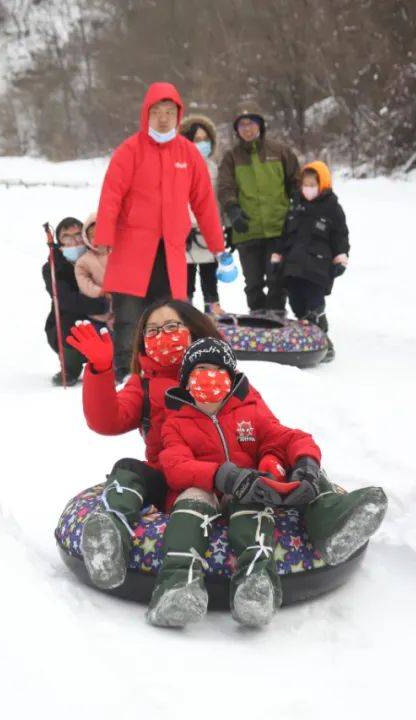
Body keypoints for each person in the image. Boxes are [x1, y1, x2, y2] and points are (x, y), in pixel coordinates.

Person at [150, 338, 387, 628]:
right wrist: (226, 476)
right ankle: (178, 585)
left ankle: (259, 581)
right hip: (209, 490)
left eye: (217, 369)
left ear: (230, 376)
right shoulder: (176, 421)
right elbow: (175, 466)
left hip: (247, 492)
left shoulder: (249, 408)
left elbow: (287, 437)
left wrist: (306, 464)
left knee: (270, 483)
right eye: (200, 369)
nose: (209, 376)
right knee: (194, 493)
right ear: (187, 380)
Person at [68, 300, 245, 591]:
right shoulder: (145, 385)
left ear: (194, 330)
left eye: (172, 327)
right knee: (127, 469)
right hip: (169, 479)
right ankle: (110, 534)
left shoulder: (223, 380)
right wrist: (100, 370)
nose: (162, 337)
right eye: (152, 331)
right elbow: (107, 420)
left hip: (223, 479)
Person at [94, 82, 226, 382]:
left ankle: (166, 373)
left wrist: (217, 245)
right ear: (146, 113)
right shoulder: (130, 150)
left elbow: (204, 202)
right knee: (129, 318)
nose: (163, 118)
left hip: (170, 252)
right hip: (132, 250)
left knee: (169, 317)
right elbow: (111, 195)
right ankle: (124, 376)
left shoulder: (188, 153)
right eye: (157, 112)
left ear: (178, 115)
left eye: (169, 112)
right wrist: (104, 237)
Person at [216, 106, 300, 319]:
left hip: (277, 227)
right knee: (252, 280)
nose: (247, 128)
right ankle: (257, 314)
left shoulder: (280, 151)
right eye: (242, 125)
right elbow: (225, 187)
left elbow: (296, 182)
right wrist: (233, 210)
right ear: (237, 130)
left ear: (260, 126)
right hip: (247, 228)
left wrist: (296, 209)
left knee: (276, 276)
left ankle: (277, 314)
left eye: (251, 123)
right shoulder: (231, 157)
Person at [276, 161, 349, 359]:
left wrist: (341, 257)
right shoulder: (296, 205)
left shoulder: (332, 208)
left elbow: (340, 235)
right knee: (297, 304)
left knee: (313, 306)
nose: (308, 189)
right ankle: (308, 342)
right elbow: (285, 235)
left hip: (318, 266)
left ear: (322, 183)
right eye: (305, 184)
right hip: (293, 265)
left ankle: (324, 342)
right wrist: (278, 254)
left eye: (312, 184)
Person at [43, 217, 109, 386]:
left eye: (78, 236)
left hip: (107, 318)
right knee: (70, 321)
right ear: (60, 242)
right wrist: (101, 304)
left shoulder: (100, 254)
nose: (74, 243)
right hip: (74, 320)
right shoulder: (53, 266)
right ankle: (70, 367)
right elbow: (65, 299)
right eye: (68, 238)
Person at [179, 113, 226, 316]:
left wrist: (223, 228)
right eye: (197, 140)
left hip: (208, 233)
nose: (202, 144)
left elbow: (216, 201)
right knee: (185, 282)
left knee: (210, 279)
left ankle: (212, 314)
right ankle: (185, 317)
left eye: (205, 139)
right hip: (186, 234)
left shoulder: (213, 168)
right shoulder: (179, 167)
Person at [73, 213, 113, 328]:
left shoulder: (118, 253)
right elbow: (83, 282)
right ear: (86, 238)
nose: (98, 238)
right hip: (100, 313)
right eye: (93, 235)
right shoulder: (83, 261)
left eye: (101, 234)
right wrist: (99, 291)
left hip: (123, 307)